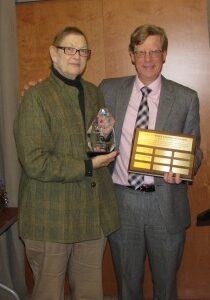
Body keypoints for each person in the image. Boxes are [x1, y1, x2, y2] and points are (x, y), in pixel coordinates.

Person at [14, 26, 119, 300]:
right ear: (54, 53)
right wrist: (88, 165)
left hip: (91, 216)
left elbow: (96, 148)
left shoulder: (94, 92)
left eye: (83, 50)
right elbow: (35, 162)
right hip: (50, 218)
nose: (77, 55)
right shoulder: (36, 98)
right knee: (49, 294)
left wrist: (104, 140)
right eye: (69, 48)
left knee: (90, 294)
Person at [99, 24, 203, 300]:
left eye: (154, 51)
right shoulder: (109, 90)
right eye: (141, 52)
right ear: (131, 55)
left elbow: (195, 150)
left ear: (164, 54)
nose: (148, 59)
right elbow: (95, 135)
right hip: (123, 203)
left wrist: (184, 169)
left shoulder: (185, 97)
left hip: (166, 202)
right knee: (127, 286)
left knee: (166, 287)